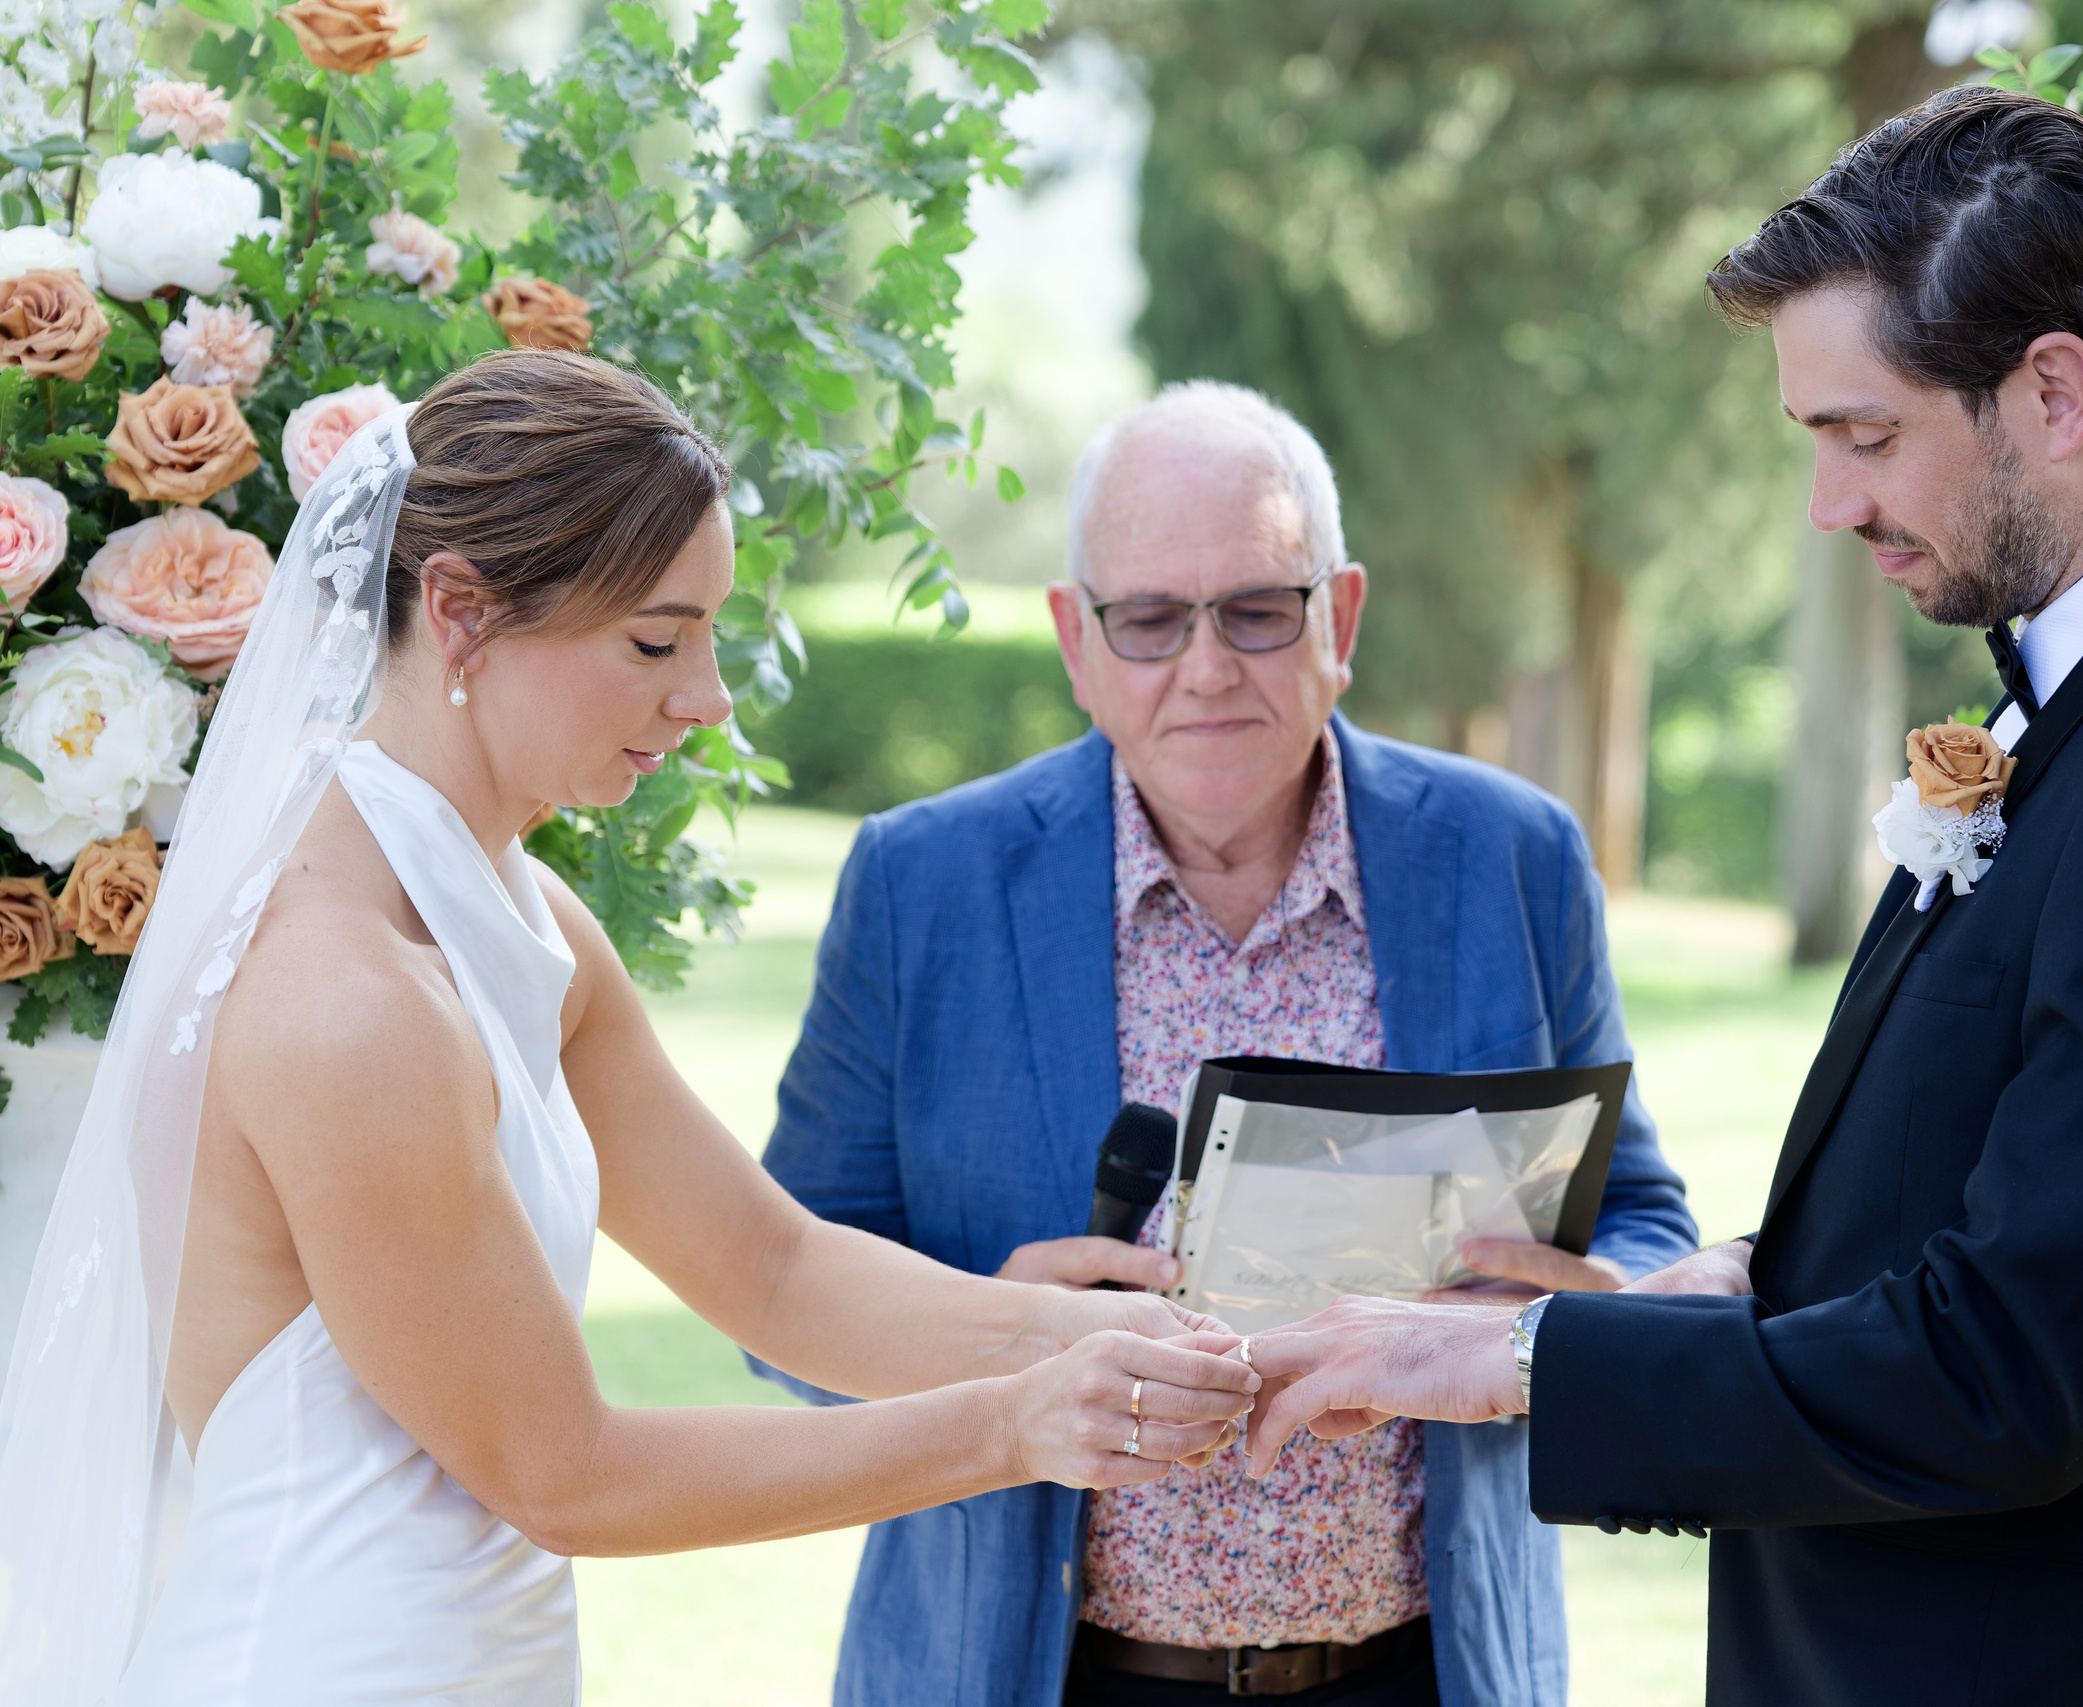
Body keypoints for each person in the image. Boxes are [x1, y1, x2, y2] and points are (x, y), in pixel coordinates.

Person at [1235, 87, 2083, 1707]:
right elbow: (2025, 1196)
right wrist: (1723, 1287)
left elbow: (2012, 1368)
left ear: (2057, 391)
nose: (1833, 504)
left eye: (1865, 437)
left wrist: (1507, 1363)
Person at [0, 350, 1260, 1706]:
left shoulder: (525, 916)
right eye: (656, 641)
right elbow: (566, 1475)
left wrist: (1122, 1346)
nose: (708, 698)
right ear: (462, 612)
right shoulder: (343, 1000)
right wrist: (1017, 1426)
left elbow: (773, 1269)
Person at [756, 380, 1697, 1707]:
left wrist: (1537, 1324)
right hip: (1035, 1675)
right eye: (1148, 621)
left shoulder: (1509, 859)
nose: (1206, 670)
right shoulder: (923, 887)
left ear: (1342, 619)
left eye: (1259, 611)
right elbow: (778, 1306)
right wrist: (994, 1325)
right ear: (1076, 642)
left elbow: (1644, 1220)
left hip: (1427, 1671)